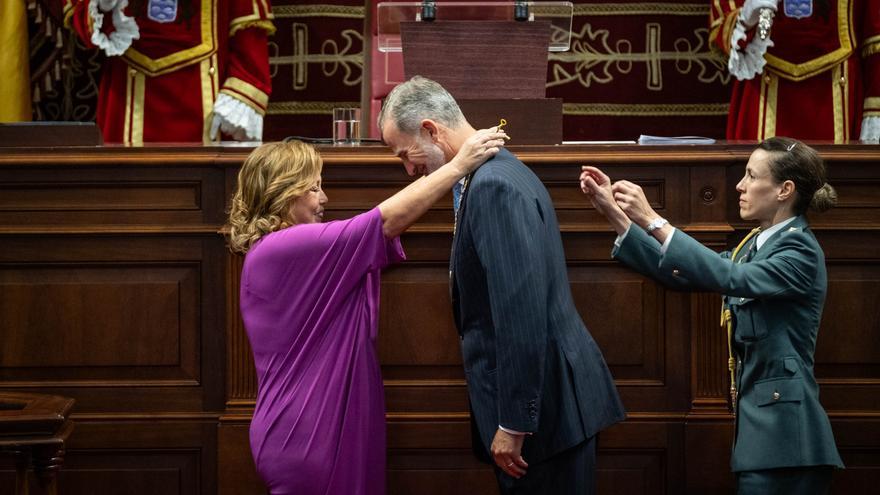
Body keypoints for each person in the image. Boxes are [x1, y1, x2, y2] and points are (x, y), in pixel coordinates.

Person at [378, 76, 625, 494]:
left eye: (406, 153)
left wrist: (514, 422)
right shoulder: (494, 172)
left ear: (431, 130)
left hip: (544, 418)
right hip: (549, 408)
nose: (409, 170)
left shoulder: (492, 186)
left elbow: (519, 313)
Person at [226, 131, 506, 495]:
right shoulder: (287, 247)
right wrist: (460, 164)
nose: (324, 199)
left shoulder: (287, 251)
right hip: (310, 434)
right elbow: (385, 221)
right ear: (283, 191)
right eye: (313, 188)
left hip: (320, 427)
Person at [580, 136, 843, 494]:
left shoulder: (799, 250)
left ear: (785, 189)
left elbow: (731, 278)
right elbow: (686, 271)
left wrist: (654, 219)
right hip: (764, 437)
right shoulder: (756, 244)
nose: (740, 185)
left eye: (751, 176)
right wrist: (615, 213)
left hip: (789, 441)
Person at [64, 0, 274, 144]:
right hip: (128, 91)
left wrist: (243, 89)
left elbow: (249, 25)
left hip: (204, 95)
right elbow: (88, 23)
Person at [709, 0, 880, 143]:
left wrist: (874, 111)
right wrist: (746, 18)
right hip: (763, 83)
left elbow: (874, 34)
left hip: (837, 87)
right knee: (763, 174)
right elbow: (723, 25)